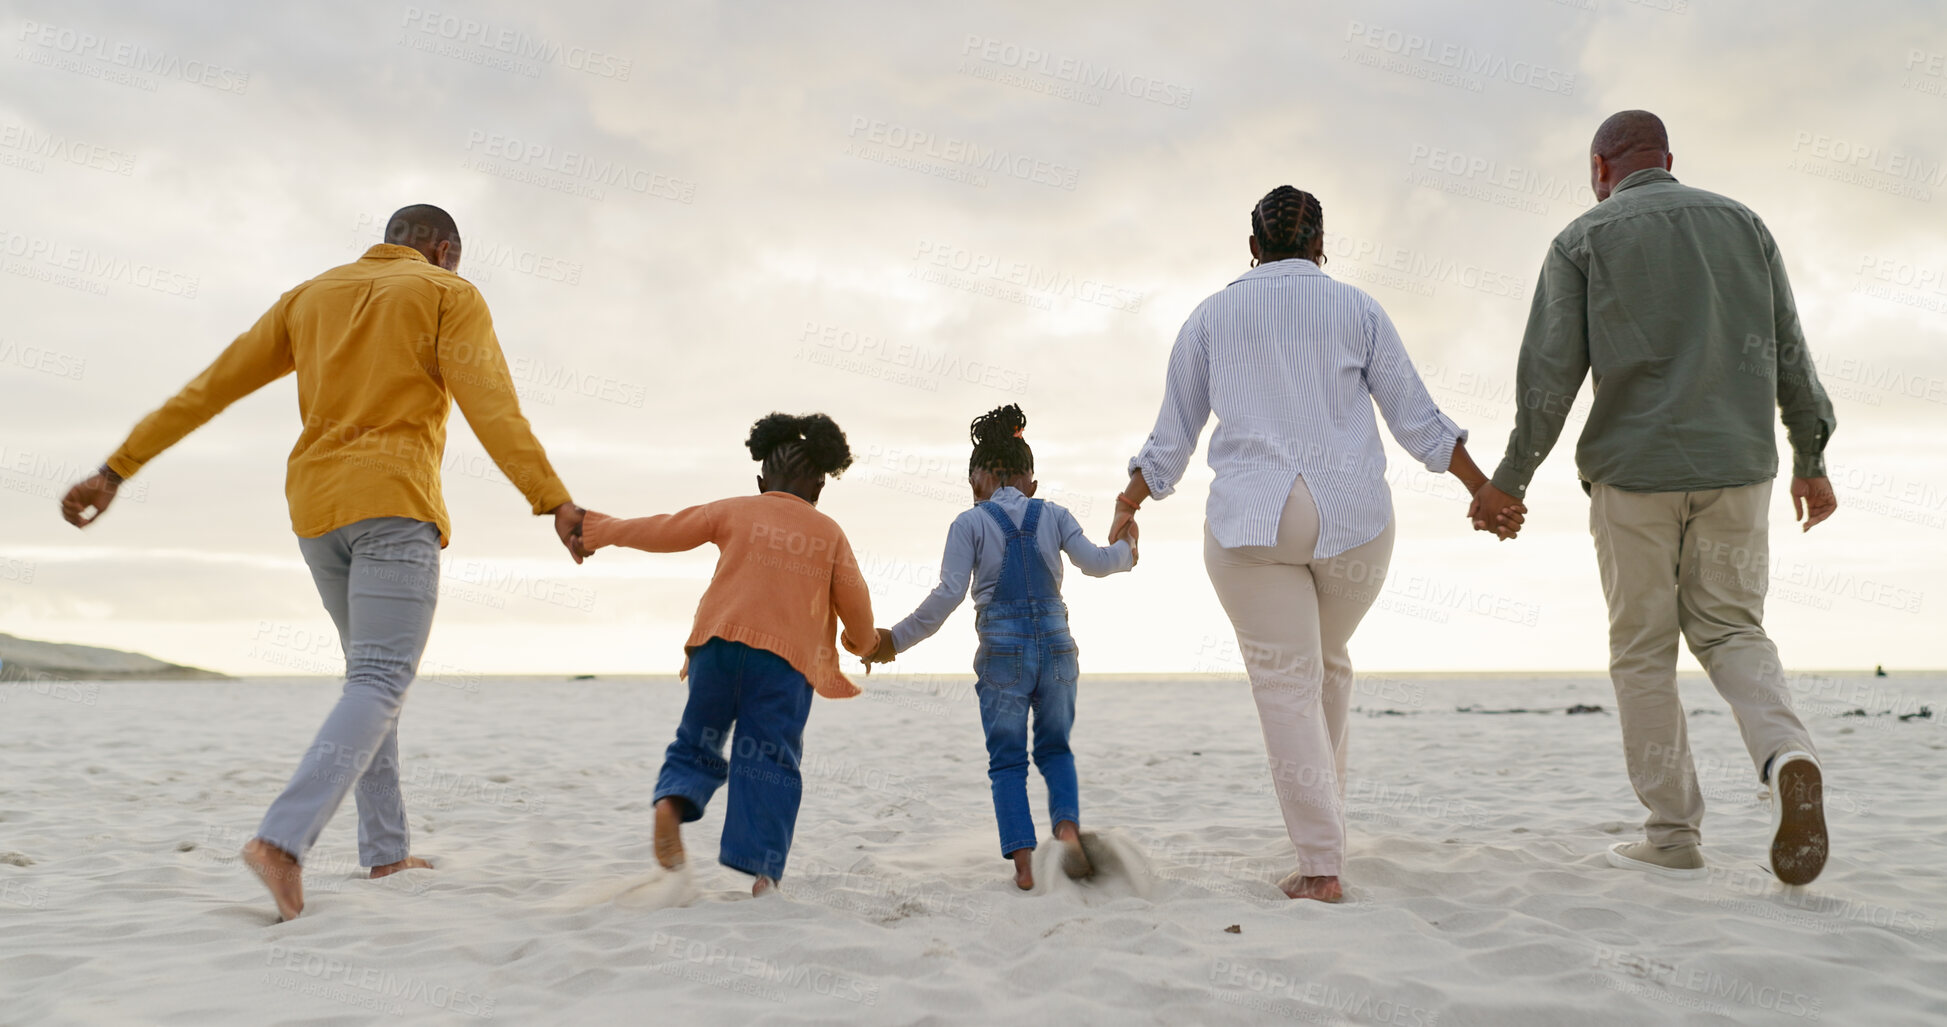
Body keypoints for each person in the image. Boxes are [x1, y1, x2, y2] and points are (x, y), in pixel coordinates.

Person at [58, 204, 586, 920]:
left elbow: (209, 388)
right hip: (394, 503)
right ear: (445, 248)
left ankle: (386, 850)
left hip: (315, 511)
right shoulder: (446, 292)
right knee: (379, 677)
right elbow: (492, 405)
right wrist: (551, 498)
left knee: (369, 680)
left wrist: (116, 470)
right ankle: (282, 839)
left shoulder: (307, 297)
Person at [1468, 111, 1837, 886]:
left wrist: (1509, 479)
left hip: (1632, 475)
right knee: (1733, 629)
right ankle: (1786, 755)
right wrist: (1811, 453)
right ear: (1667, 159)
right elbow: (1787, 347)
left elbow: (1549, 373)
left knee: (1643, 651)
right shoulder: (1743, 223)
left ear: (1600, 168)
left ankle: (1671, 833)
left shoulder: (1582, 238)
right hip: (1739, 465)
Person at [1110, 186, 1496, 902]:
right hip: (1354, 519)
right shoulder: (1356, 308)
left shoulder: (1209, 316)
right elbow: (1419, 418)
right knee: (1325, 664)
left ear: (1251, 246)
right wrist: (1482, 487)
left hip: (1251, 524)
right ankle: (1327, 832)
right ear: (1321, 244)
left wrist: (1129, 502)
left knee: (1288, 681)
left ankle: (1321, 864)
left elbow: (1170, 440)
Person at [576, 413, 876, 896]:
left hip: (715, 648)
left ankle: (671, 804)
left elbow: (662, 530)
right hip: (783, 663)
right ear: (820, 485)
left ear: (761, 481)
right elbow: (856, 604)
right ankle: (762, 876)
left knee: (698, 738)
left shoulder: (733, 510)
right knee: (771, 760)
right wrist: (862, 644)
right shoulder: (829, 533)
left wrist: (598, 530)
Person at [862, 405, 1135, 891]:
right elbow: (1096, 562)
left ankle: (1025, 867)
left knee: (1007, 759)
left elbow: (946, 596)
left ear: (979, 480)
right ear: (1030, 479)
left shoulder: (969, 524)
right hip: (1057, 647)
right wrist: (1128, 551)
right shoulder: (1053, 513)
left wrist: (892, 641)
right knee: (1055, 748)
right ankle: (1067, 829)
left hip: (1002, 652)